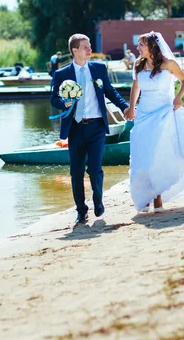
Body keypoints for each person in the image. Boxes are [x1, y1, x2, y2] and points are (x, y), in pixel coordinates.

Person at [51, 34, 130, 225]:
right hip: (75, 129)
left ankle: (98, 200)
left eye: (89, 46)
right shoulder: (61, 75)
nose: (89, 49)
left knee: (94, 169)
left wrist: (125, 106)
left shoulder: (99, 68)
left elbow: (110, 91)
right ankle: (81, 210)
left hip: (96, 127)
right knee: (76, 172)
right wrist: (64, 102)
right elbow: (54, 99)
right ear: (74, 51)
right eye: (85, 47)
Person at [125, 31, 184, 212]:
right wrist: (131, 107)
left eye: (141, 45)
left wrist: (178, 98)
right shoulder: (138, 65)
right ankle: (143, 196)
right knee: (140, 157)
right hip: (143, 115)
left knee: (156, 157)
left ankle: (157, 196)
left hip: (163, 114)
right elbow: (136, 86)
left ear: (152, 47)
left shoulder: (168, 64)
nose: (137, 48)